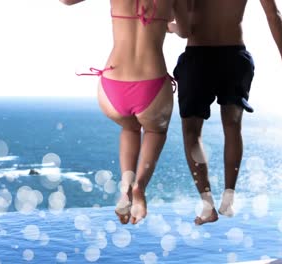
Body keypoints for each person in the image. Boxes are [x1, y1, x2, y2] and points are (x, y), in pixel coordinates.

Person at [168, 0, 282, 225]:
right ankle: (229, 195)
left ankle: (207, 204)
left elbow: (183, 26)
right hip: (234, 56)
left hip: (198, 56)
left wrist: (169, 27)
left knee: (191, 132)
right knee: (232, 127)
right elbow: (273, 13)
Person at [60, 0, 188, 224]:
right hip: (152, 83)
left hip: (112, 85)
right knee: (155, 132)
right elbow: (187, 30)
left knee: (129, 127)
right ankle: (140, 186)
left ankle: (125, 187)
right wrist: (168, 25)